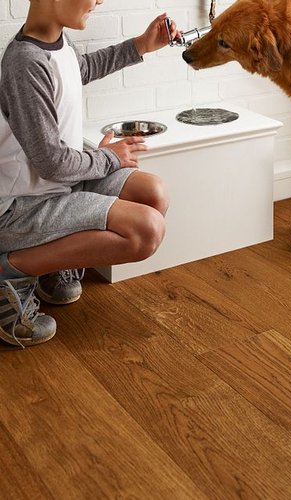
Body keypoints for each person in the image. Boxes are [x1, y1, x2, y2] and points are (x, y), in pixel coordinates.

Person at [0, 0, 180, 348]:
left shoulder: (55, 41)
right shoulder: (24, 63)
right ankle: (11, 271)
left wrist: (142, 44)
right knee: (146, 231)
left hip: (59, 185)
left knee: (154, 193)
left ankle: (51, 264)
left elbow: (79, 69)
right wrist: (107, 158)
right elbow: (52, 162)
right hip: (20, 207)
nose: (99, 1)